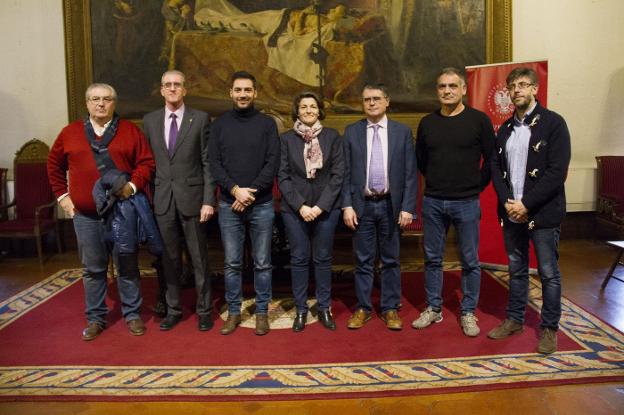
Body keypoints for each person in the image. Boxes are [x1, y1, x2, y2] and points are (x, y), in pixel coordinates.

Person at [47, 83, 155, 341]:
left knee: (127, 266)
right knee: (93, 269)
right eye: (95, 99)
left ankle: (132, 314)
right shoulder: (70, 133)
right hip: (86, 216)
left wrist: (132, 185)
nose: (101, 104)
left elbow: (147, 163)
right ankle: (96, 318)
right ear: (87, 103)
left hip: (122, 214)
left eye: (107, 99)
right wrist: (63, 198)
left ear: (114, 104)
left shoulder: (130, 131)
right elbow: (53, 165)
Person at [487, 67, 571, 354]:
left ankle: (549, 327)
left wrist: (527, 204)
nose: (517, 90)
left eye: (523, 85)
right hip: (512, 213)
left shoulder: (554, 124)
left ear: (535, 89)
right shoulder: (506, 129)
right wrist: (509, 202)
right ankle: (514, 319)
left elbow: (557, 172)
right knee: (516, 269)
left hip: (543, 212)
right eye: (512, 86)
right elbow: (496, 169)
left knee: (548, 272)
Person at [412, 67, 495, 337]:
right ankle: (433, 307)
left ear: (463, 89)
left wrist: (475, 186)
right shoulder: (427, 122)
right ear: (437, 91)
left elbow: (492, 160)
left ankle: (468, 311)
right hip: (434, 201)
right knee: (432, 258)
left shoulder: (479, 121)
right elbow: (421, 161)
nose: (447, 91)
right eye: (442, 86)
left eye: (452, 86)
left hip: (467, 202)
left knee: (470, 260)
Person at [142, 70, 216, 332]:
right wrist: (149, 203)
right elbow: (148, 165)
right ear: (161, 90)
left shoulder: (201, 119)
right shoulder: (150, 121)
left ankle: (204, 310)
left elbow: (208, 163)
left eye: (177, 85)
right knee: (169, 260)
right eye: (168, 85)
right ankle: (173, 310)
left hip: (194, 200)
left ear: (185, 90)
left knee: (198, 258)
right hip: (162, 202)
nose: (172, 89)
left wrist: (209, 200)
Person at [209, 71, 280, 336]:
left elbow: (272, 162)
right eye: (238, 90)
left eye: (247, 90)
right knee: (232, 263)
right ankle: (234, 312)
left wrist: (250, 194)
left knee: (262, 261)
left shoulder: (267, 124)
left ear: (255, 93)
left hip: (260, 204)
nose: (242, 95)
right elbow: (214, 164)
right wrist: (235, 191)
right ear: (231, 93)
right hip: (229, 205)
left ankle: (262, 312)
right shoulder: (219, 125)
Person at [342, 83, 417, 331]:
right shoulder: (352, 132)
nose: (371, 103)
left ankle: (390, 308)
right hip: (361, 206)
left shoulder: (402, 132)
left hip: (390, 206)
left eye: (376, 99)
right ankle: (363, 307)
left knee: (391, 260)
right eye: (366, 100)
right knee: (362, 260)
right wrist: (347, 206)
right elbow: (344, 174)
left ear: (387, 101)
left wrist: (407, 207)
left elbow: (409, 174)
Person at [278, 92, 345, 332]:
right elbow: (283, 177)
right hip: (295, 210)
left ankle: (324, 307)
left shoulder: (332, 137)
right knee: (299, 259)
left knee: (323, 258)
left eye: (312, 106)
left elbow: (338, 176)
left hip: (326, 209)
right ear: (297, 111)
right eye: (303, 107)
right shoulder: (285, 139)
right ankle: (301, 310)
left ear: (319, 111)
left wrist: (319, 207)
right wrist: (301, 206)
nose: (308, 110)